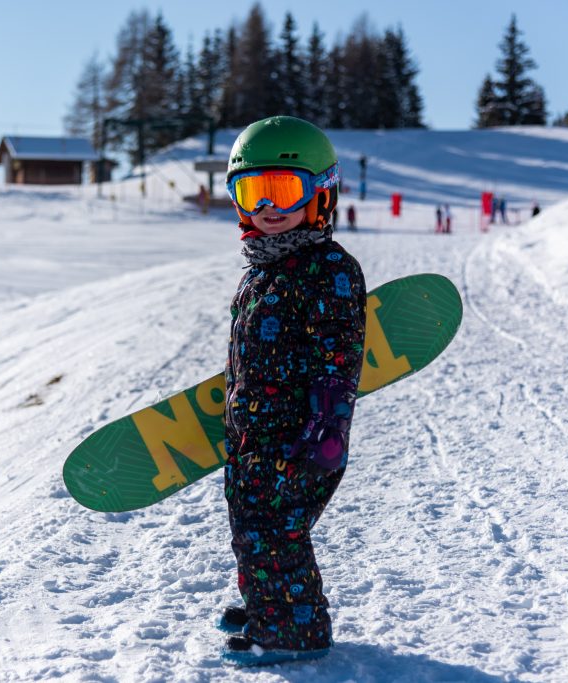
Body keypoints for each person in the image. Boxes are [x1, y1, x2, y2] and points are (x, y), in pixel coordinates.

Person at [219, 116, 366, 666]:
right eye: (252, 190)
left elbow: (340, 353)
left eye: (283, 188)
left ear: (320, 193)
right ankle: (268, 604)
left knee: (273, 530)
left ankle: (293, 632)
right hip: (254, 435)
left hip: (298, 437)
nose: (268, 206)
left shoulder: (328, 268)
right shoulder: (262, 269)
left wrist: (325, 428)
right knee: (252, 525)